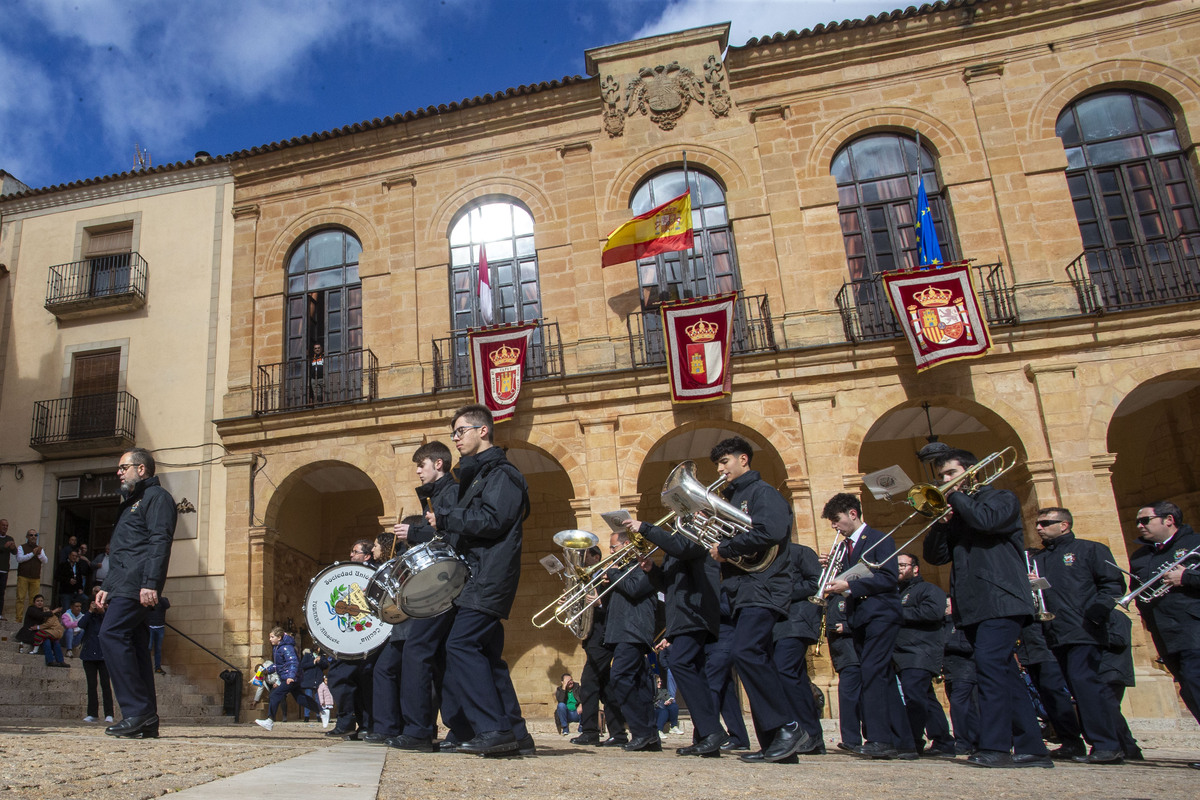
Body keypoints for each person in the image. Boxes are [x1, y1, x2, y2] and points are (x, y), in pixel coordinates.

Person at [923, 448, 1052, 769]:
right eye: (942, 477)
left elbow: (987, 521)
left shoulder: (1001, 499)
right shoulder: (960, 510)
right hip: (974, 603)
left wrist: (957, 500)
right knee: (1004, 672)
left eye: (951, 474)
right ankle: (1033, 748)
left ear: (973, 472)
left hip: (1002, 598)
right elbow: (936, 557)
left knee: (990, 669)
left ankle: (995, 746)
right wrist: (941, 523)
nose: (945, 482)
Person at [428, 404, 531, 757]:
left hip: (489, 577)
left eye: (460, 431)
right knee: (487, 656)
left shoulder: (503, 474)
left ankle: (493, 729)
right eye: (453, 433)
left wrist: (445, 517)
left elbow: (492, 520)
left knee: (460, 645)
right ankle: (518, 735)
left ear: (482, 430)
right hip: (479, 575)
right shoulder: (481, 474)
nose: (455, 439)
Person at [707, 436, 815, 763]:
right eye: (718, 464)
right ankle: (775, 744)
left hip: (764, 585)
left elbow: (770, 531)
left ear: (744, 459)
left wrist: (725, 549)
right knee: (756, 658)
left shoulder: (763, 493)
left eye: (724, 462)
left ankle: (788, 725)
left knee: (745, 652)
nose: (720, 469)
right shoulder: (735, 497)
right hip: (744, 589)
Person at [626, 504, 724, 757]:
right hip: (682, 615)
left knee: (680, 663)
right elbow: (669, 585)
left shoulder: (699, 535)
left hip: (695, 612)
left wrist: (645, 528)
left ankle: (712, 731)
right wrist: (653, 570)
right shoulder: (678, 544)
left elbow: (682, 548)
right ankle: (707, 735)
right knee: (696, 670)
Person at [392, 441, 471, 752]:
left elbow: (450, 537)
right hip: (446, 583)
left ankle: (418, 730)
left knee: (416, 650)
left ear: (438, 464)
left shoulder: (448, 493)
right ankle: (458, 729)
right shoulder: (440, 494)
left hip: (444, 585)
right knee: (441, 658)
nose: (417, 471)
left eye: (421, 465)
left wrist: (413, 534)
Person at [1030, 506, 1126, 763]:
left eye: (1046, 522)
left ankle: (1107, 745)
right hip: (1053, 631)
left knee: (1086, 686)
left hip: (1084, 629)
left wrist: (1096, 613)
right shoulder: (1038, 559)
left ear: (1064, 525)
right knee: (1063, 687)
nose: (1039, 527)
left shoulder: (1090, 549)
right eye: (1038, 523)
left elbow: (1113, 584)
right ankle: (1072, 743)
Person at [821, 492, 912, 759]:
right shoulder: (844, 547)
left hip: (881, 613)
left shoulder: (879, 538)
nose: (834, 527)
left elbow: (887, 578)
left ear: (852, 513)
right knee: (881, 675)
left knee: (871, 673)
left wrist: (849, 584)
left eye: (836, 520)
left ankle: (879, 738)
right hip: (859, 617)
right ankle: (903, 741)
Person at [97, 447, 178, 740]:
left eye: (123, 468)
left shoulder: (157, 498)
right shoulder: (132, 501)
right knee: (135, 642)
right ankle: (147, 718)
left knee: (111, 634)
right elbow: (124, 551)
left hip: (138, 585)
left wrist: (151, 583)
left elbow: (160, 541)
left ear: (141, 469)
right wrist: (107, 586)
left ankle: (135, 711)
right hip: (124, 584)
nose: (119, 473)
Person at [1128, 500, 1200, 769]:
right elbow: (1139, 592)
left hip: (1194, 626)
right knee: (1190, 689)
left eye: (1145, 520)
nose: (1139, 526)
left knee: (1196, 682)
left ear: (1169, 519)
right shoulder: (1141, 556)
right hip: (1165, 631)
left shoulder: (1195, 544)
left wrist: (1187, 578)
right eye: (1138, 521)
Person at [603, 528, 660, 752]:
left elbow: (635, 589)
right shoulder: (625, 570)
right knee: (640, 684)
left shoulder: (641, 565)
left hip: (633, 632)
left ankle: (642, 732)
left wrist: (615, 574)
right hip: (623, 632)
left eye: (613, 547)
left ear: (626, 545)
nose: (610, 551)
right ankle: (650, 735)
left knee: (620, 678)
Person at [894, 553, 955, 757]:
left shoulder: (929, 589)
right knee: (925, 697)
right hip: (904, 653)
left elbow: (932, 613)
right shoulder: (896, 593)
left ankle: (912, 741)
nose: (899, 569)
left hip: (921, 651)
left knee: (915, 697)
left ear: (916, 568)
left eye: (903, 565)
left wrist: (896, 613)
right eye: (897, 566)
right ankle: (943, 741)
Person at [571, 545, 630, 748]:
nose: (582, 559)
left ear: (596, 556)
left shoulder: (608, 575)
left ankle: (590, 731)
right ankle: (618, 734)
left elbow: (616, 605)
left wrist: (599, 604)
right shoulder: (585, 579)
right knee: (606, 688)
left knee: (588, 682)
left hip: (603, 636)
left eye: (585, 555)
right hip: (592, 636)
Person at [771, 541, 826, 755]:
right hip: (778, 625)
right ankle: (812, 736)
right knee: (797, 677)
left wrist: (782, 593)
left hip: (797, 622)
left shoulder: (801, 552)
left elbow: (816, 582)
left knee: (785, 671)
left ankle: (808, 732)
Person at [325, 539, 378, 739]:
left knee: (361, 680)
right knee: (343, 678)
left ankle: (360, 724)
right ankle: (352, 722)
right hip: (348, 638)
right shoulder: (345, 575)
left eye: (355, 552)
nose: (351, 555)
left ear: (366, 556)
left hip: (367, 638)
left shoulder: (374, 574)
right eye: (351, 551)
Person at [254, 626, 330, 731]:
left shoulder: (286, 648)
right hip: (290, 676)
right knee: (300, 698)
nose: (270, 639)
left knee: (275, 694)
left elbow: (293, 663)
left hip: (291, 678)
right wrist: (267, 670)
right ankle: (322, 711)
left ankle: (270, 720)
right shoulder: (278, 648)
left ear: (279, 637)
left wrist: (291, 676)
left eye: (272, 637)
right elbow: (280, 665)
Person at [705, 585, 750, 752]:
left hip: (725, 639)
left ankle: (709, 733)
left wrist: (704, 604)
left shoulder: (724, 586)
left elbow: (730, 609)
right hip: (712, 641)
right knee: (725, 691)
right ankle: (739, 738)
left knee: (712, 686)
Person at [942, 598, 980, 755]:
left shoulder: (962, 625)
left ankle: (964, 741)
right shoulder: (944, 624)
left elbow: (968, 646)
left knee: (960, 706)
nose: (945, 607)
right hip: (951, 671)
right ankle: (971, 740)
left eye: (948, 605)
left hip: (965, 670)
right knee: (963, 707)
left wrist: (944, 645)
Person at [826, 594, 864, 751]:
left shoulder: (849, 596)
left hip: (852, 655)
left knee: (850, 696)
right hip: (842, 656)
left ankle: (852, 739)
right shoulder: (831, 599)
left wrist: (845, 627)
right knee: (853, 697)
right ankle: (852, 738)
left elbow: (862, 619)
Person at [78, 595, 115, 723]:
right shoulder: (89, 617)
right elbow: (80, 624)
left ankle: (109, 713)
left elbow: (111, 626)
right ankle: (92, 713)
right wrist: (89, 611)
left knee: (106, 685)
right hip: (88, 655)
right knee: (91, 685)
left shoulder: (106, 616)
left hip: (104, 655)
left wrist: (103, 612)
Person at [15, 530, 48, 617]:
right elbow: (19, 559)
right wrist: (32, 554)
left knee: (34, 600)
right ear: (27, 537)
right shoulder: (21, 547)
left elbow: (45, 560)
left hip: (35, 577)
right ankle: (18, 618)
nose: (33, 537)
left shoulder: (40, 549)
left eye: (35, 535)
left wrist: (39, 554)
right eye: (31, 535)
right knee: (20, 598)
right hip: (23, 576)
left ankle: (31, 618)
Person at [58, 550, 89, 615]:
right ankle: (65, 622)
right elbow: (57, 577)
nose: (74, 557)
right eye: (73, 556)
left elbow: (80, 579)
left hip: (76, 591)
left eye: (76, 556)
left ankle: (81, 618)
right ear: (69, 556)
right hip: (66, 591)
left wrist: (80, 588)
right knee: (66, 608)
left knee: (85, 599)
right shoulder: (63, 565)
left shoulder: (78, 566)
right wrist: (68, 580)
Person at [147, 596, 171, 675]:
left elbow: (167, 605)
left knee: (158, 648)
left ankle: (157, 667)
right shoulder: (149, 599)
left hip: (160, 627)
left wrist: (158, 597)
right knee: (148, 647)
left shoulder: (163, 600)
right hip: (150, 627)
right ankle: (146, 667)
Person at [0, 519, 16, 620]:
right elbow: (3, 548)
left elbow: (14, 552)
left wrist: (13, 547)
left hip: (4, 570)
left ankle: (0, 614)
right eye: (3, 525)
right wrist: (5, 547)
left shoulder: (10, 538)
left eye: (7, 525)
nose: (5, 527)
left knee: (1, 593)